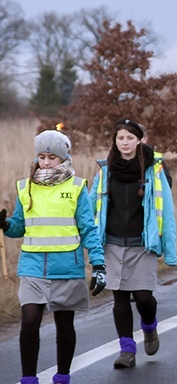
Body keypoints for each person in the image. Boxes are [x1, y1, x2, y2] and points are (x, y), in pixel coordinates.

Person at [2, 130, 106, 384]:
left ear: (63, 158)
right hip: (32, 267)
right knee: (29, 322)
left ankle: (62, 377)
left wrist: (99, 263)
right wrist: (5, 225)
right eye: (42, 156)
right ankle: (29, 379)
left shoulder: (77, 186)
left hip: (67, 267)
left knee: (64, 325)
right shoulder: (25, 186)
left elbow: (88, 229)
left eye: (51, 157)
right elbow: (19, 226)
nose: (46, 162)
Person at [90, 119, 177, 369]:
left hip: (143, 244)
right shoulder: (105, 170)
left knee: (143, 298)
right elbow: (91, 206)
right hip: (113, 243)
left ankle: (149, 327)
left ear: (139, 140)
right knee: (119, 298)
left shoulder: (153, 169)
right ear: (114, 141)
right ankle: (127, 350)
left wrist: (169, 250)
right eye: (120, 138)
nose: (125, 143)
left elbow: (166, 211)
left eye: (130, 138)